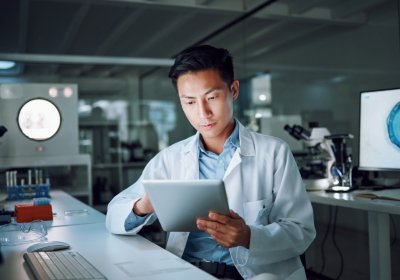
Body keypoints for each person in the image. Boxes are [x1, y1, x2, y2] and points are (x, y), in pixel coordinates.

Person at [106, 45, 315, 280]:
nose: (202, 113)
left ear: (233, 90)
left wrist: (247, 236)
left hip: (252, 274)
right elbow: (114, 215)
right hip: (187, 272)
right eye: (190, 102)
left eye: (212, 97)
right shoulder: (170, 159)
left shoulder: (273, 152)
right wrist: (142, 206)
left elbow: (301, 231)